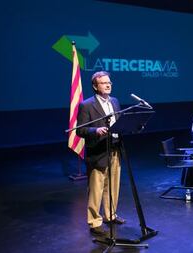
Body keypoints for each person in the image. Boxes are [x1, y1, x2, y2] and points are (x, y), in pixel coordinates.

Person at [76, 71, 125, 236]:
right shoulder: (86, 105)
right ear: (95, 86)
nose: (108, 85)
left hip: (114, 149)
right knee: (96, 188)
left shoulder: (115, 101)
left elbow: (120, 122)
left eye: (109, 82)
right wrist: (96, 130)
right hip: (98, 151)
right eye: (104, 83)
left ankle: (110, 214)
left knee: (113, 185)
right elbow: (80, 130)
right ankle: (94, 221)